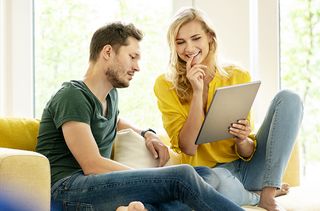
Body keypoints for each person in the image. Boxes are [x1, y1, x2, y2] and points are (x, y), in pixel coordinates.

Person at [36, 22, 244, 211]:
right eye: (132, 57)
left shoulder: (109, 96)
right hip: (67, 190)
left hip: (96, 188)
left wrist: (147, 133)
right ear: (107, 52)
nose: (137, 67)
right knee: (181, 176)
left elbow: (113, 122)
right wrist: (152, 178)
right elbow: (92, 164)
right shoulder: (72, 95)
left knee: (205, 176)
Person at [154, 7, 303, 211]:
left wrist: (242, 139)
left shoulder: (237, 75)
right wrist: (197, 92)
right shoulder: (165, 84)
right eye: (180, 42)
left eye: (196, 38)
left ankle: (268, 194)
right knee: (208, 186)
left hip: (249, 169)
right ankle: (253, 197)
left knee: (289, 98)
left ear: (210, 38)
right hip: (212, 175)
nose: (189, 48)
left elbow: (248, 151)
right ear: (173, 46)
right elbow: (188, 147)